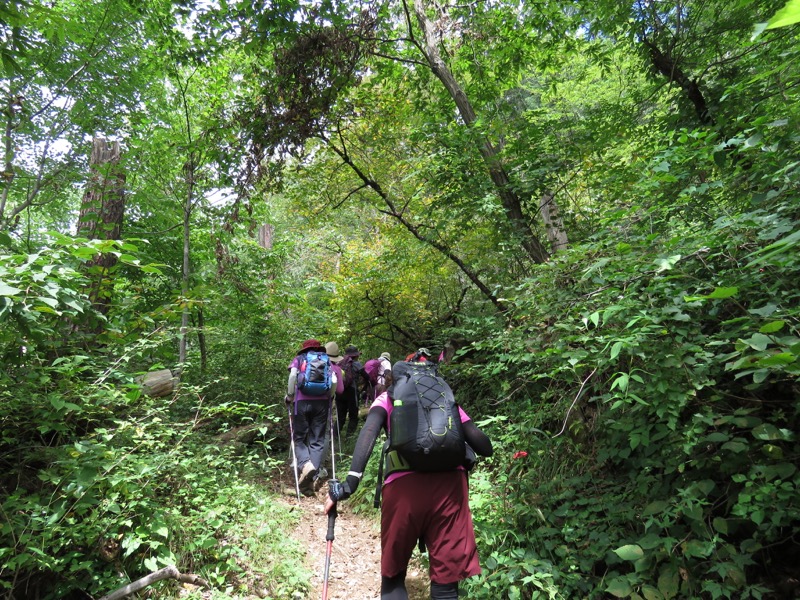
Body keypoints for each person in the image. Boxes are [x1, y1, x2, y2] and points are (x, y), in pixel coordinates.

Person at [324, 353, 493, 600]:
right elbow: (484, 446)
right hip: (451, 489)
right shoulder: (445, 399)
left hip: (404, 489)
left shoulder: (388, 397)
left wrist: (349, 484)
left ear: (395, 378)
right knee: (446, 582)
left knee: (393, 577)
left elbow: (368, 433)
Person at [286, 339, 337, 496]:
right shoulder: (326, 359)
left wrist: (289, 395)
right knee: (317, 440)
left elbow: (293, 376)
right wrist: (331, 396)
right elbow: (334, 380)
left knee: (299, 438)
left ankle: (305, 464)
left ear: (304, 349)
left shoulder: (300, 359)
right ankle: (311, 479)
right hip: (322, 403)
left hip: (302, 402)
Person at [336, 344, 366, 437]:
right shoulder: (357, 364)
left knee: (340, 416)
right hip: (352, 391)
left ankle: (334, 436)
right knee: (353, 416)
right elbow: (366, 376)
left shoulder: (339, 363)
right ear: (355, 355)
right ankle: (349, 437)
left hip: (340, 391)